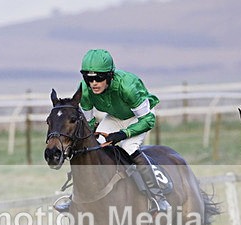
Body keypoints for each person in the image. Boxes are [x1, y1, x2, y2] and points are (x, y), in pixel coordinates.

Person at [54, 48, 170, 214]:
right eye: (88, 78)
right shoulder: (85, 90)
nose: (93, 83)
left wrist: (123, 134)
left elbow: (148, 120)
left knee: (128, 147)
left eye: (99, 78)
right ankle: (76, 198)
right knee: (92, 148)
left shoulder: (127, 86)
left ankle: (158, 198)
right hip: (115, 117)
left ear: (109, 76)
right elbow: (89, 121)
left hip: (139, 117)